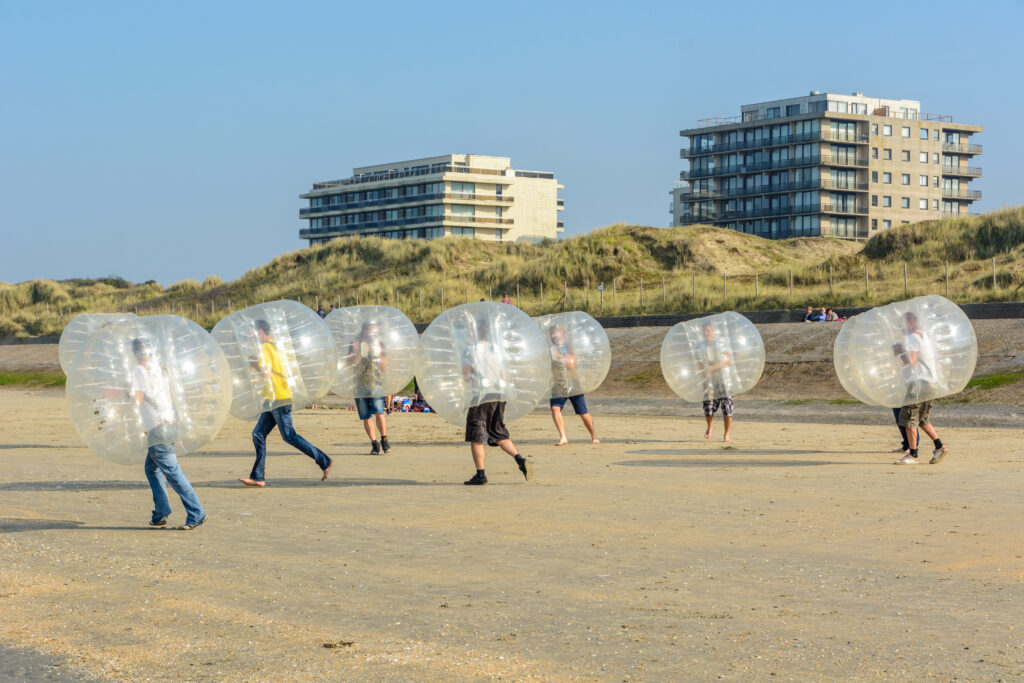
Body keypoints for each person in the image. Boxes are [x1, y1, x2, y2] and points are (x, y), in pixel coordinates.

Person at [240, 320, 333, 486]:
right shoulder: (277, 346)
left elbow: (266, 374)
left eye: (254, 333)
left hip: (279, 397)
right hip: (273, 398)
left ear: (261, 332)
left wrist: (254, 365)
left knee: (289, 436)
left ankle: (324, 460)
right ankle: (258, 477)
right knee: (258, 434)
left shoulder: (266, 348)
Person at [131, 338, 206, 530]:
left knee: (173, 472)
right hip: (170, 423)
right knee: (152, 468)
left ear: (136, 353)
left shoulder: (139, 370)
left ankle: (197, 513)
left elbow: (137, 399)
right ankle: (161, 513)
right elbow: (169, 397)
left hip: (157, 428)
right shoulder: (161, 370)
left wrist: (126, 407)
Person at [461, 316, 532, 485]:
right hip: (499, 395)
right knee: (497, 431)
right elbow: (504, 375)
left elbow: (466, 377)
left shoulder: (470, 349)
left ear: (475, 332)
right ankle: (520, 459)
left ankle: (480, 474)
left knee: (476, 436)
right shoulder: (497, 349)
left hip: (481, 396)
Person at [894, 311, 948, 464]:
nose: (901, 327)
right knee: (923, 419)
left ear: (910, 323)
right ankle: (940, 447)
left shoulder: (912, 338)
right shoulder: (924, 335)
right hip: (929, 382)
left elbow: (912, 361)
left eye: (902, 324)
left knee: (908, 418)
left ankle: (913, 455)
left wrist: (899, 352)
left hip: (918, 384)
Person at [547, 324, 599, 445]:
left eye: (555, 332)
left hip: (573, 383)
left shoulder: (569, 346)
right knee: (555, 408)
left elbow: (571, 363)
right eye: (551, 333)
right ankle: (563, 437)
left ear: (562, 333)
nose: (553, 336)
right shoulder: (550, 348)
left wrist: (558, 356)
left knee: (582, 412)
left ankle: (594, 435)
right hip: (558, 384)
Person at [351, 321, 390, 454]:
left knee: (379, 412)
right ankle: (374, 443)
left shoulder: (380, 345)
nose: (373, 334)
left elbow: (384, 367)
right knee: (366, 416)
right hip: (360, 385)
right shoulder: (355, 344)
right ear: (364, 331)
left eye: (375, 332)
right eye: (371, 331)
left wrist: (378, 355)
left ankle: (384, 439)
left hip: (376, 384)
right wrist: (359, 356)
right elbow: (348, 364)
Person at [698, 322, 734, 442]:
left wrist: (711, 368)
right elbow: (700, 364)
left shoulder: (721, 344)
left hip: (724, 380)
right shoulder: (701, 346)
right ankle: (709, 427)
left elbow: (727, 361)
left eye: (708, 330)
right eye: (704, 331)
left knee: (727, 407)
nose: (706, 333)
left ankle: (726, 434)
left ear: (713, 331)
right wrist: (703, 367)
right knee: (708, 408)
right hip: (709, 381)